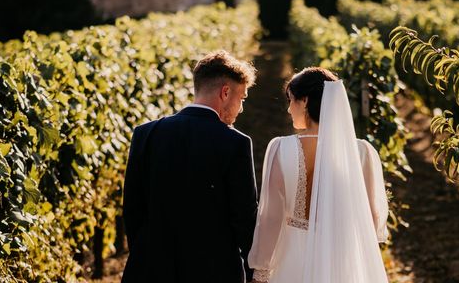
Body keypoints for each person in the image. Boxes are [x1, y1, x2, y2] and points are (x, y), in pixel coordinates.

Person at [121, 50, 258, 283]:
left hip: (151, 269)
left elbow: (132, 209)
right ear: (225, 92)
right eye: (242, 98)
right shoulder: (235, 143)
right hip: (214, 271)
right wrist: (254, 271)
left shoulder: (146, 134)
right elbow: (245, 219)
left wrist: (147, 257)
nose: (241, 108)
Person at [248, 67, 389, 283]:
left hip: (294, 260)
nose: (288, 110)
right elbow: (371, 218)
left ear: (304, 101)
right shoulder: (362, 152)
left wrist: (261, 269)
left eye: (291, 100)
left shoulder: (281, 149)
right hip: (342, 259)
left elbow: (271, 217)